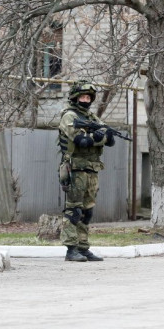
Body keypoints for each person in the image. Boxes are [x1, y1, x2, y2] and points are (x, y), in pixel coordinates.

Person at [57, 80, 115, 262]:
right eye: (82, 96)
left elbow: (110, 138)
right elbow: (81, 141)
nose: (85, 99)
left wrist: (100, 135)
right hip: (74, 168)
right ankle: (71, 249)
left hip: (91, 169)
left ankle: (83, 247)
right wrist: (98, 137)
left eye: (88, 97)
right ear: (75, 97)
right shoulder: (69, 116)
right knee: (73, 210)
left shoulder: (91, 118)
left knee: (87, 211)